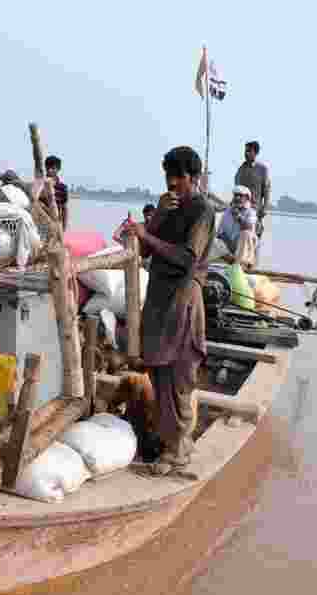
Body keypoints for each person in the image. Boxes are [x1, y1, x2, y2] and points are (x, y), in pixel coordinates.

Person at [123, 146, 216, 469]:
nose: (172, 186)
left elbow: (188, 258)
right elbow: (147, 252)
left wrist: (148, 233)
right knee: (158, 372)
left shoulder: (203, 210)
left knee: (177, 375)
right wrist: (159, 215)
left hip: (182, 301)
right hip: (160, 299)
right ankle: (174, 444)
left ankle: (177, 449)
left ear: (194, 178)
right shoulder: (169, 205)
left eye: (178, 180)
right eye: (168, 180)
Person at [234, 141, 271, 262]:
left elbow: (266, 190)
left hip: (255, 210)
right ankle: (241, 262)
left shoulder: (262, 169)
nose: (246, 153)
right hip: (241, 209)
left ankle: (253, 265)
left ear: (256, 153)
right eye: (245, 151)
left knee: (254, 238)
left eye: (249, 151)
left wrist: (264, 208)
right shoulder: (241, 169)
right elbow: (237, 189)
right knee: (242, 238)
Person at [217, 186, 258, 269]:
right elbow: (220, 232)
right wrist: (227, 241)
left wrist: (238, 216)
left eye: (240, 195)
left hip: (243, 246)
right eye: (235, 195)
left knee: (245, 234)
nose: (237, 198)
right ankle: (232, 263)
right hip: (229, 246)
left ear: (247, 198)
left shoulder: (251, 212)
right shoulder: (227, 211)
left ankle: (241, 265)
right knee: (213, 240)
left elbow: (249, 227)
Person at [43, 155, 70, 229]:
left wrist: (64, 228)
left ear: (58, 169)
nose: (49, 170)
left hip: (55, 223)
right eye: (47, 168)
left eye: (52, 168)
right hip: (41, 222)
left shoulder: (62, 188)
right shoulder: (40, 185)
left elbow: (64, 209)